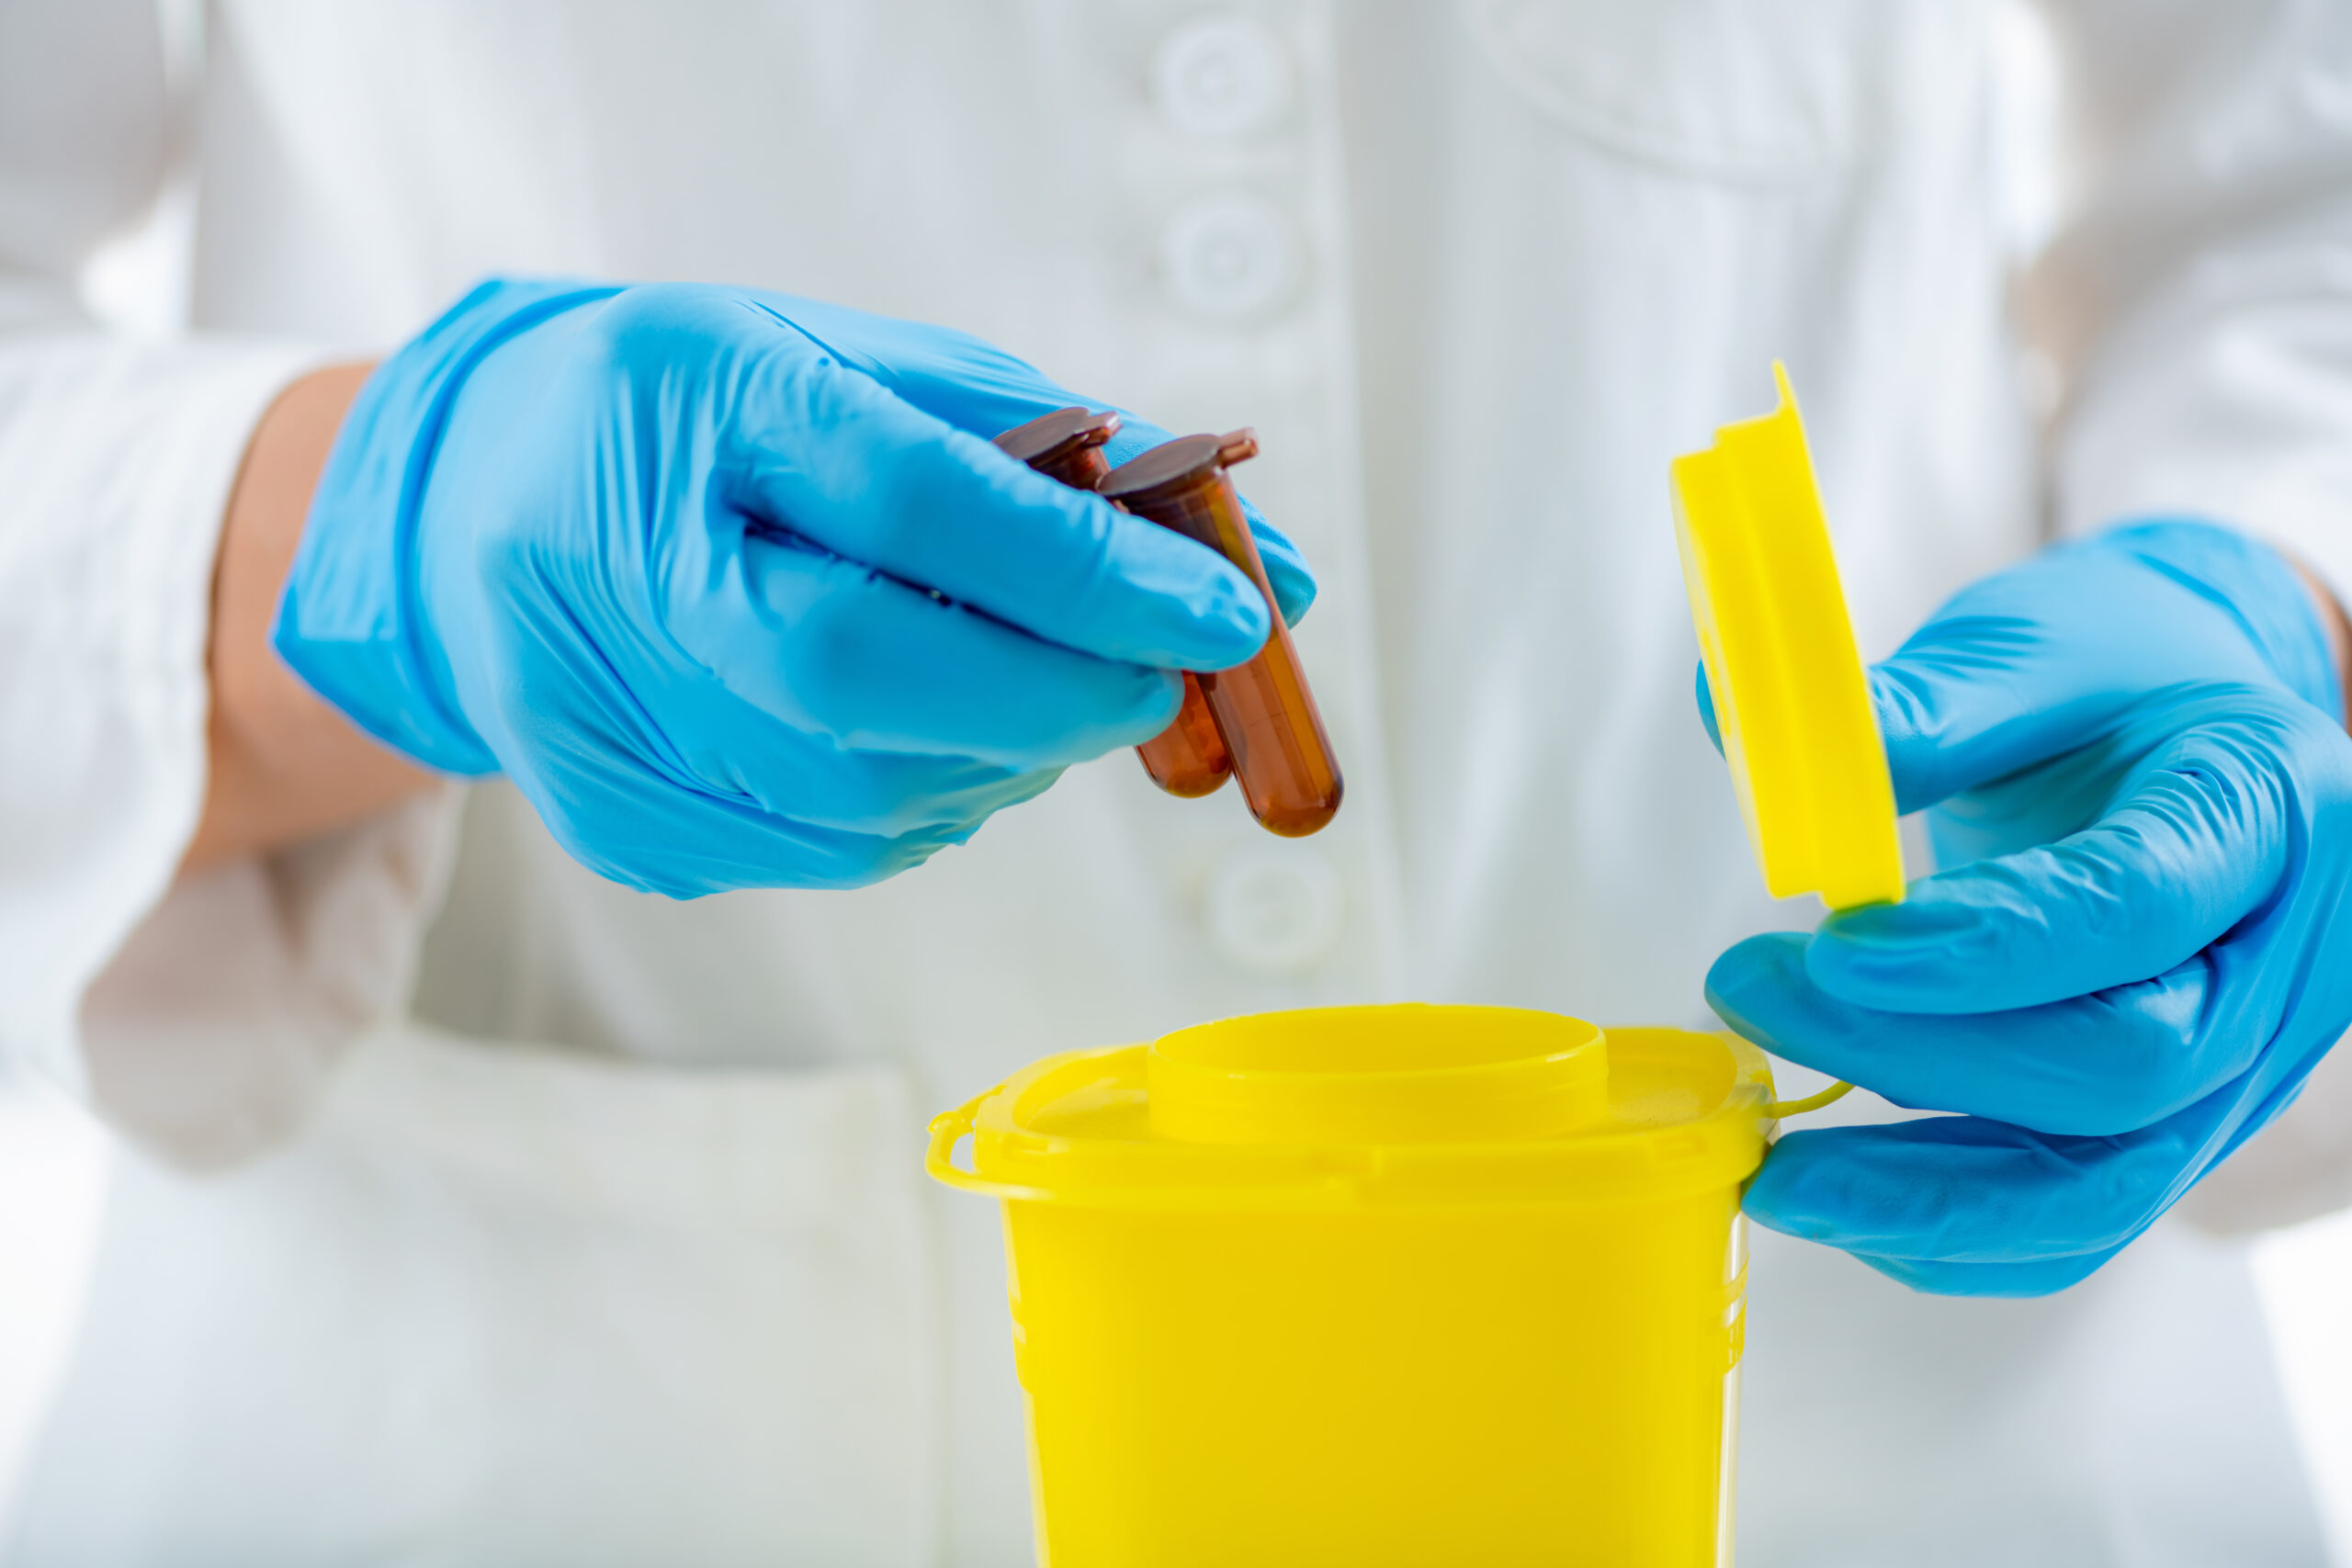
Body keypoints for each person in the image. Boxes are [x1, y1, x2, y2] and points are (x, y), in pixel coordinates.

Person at [5, 1, 2352, 1562]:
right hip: (546, 1431)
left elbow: (2297, 205)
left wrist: (2289, 620)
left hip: (1926, 1444)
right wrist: (344, 532)